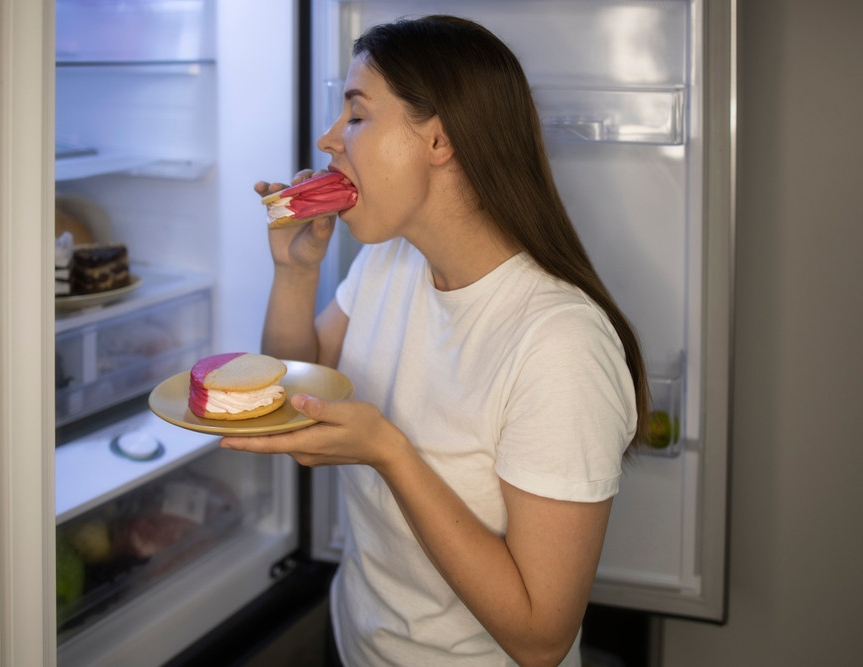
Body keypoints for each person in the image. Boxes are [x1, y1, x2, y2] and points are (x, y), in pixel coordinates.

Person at [222, 15, 649, 667]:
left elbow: (540, 638)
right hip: (359, 639)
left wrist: (388, 452)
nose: (328, 139)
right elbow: (292, 386)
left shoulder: (560, 345)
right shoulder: (390, 262)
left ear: (440, 139)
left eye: (356, 116)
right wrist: (295, 272)